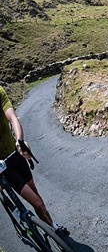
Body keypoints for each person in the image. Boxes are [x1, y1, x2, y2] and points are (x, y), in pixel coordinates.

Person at [1, 86, 68, 237]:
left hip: (15, 153)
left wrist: (19, 141)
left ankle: (53, 226)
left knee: (36, 194)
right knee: (36, 202)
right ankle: (49, 233)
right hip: (3, 166)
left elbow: (12, 117)